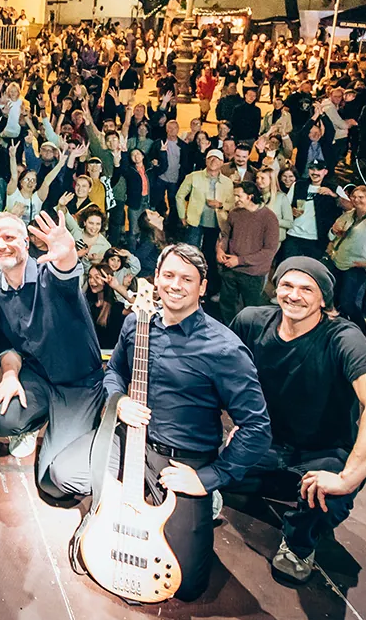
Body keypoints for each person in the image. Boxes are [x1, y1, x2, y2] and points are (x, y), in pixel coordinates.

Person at [104, 243, 272, 601]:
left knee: (186, 584)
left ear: (202, 287)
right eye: (168, 275)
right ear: (156, 278)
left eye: (186, 278)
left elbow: (257, 429)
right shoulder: (137, 323)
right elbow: (114, 372)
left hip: (183, 461)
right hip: (131, 443)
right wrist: (118, 402)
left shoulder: (224, 348)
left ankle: (206, 500)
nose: (175, 285)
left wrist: (206, 479)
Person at [226, 257, 366, 582]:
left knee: (330, 495)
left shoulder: (343, 338)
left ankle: (298, 545)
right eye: (287, 285)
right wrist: (240, 420)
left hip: (321, 453)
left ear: (324, 299)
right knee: (193, 455)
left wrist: (347, 478)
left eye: (307, 288)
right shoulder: (251, 321)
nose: (294, 295)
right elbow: (219, 376)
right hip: (264, 442)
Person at [0, 210, 99, 471]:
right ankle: (35, 420)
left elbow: (66, 272)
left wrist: (67, 254)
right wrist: (10, 375)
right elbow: (6, 343)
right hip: (39, 377)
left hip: (78, 383)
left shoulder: (50, 274)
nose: (1, 245)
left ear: (25, 243)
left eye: (9, 237)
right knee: (0, 419)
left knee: (59, 476)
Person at [325, 186, 366, 333]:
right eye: (354, 196)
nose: (356, 199)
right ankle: (339, 332)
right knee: (334, 300)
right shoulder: (347, 215)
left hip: (357, 266)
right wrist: (333, 232)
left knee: (347, 302)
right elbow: (331, 236)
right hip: (338, 262)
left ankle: (363, 332)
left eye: (361, 197)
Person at [216, 179, 281, 323]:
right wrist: (220, 250)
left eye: (239, 196)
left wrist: (239, 260)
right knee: (227, 305)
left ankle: (247, 336)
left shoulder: (269, 218)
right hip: (230, 269)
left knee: (251, 309)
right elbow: (225, 235)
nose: (235, 199)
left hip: (252, 273)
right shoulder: (235, 213)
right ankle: (229, 331)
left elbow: (269, 251)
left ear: (250, 196)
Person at [177, 148, 233, 286]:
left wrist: (221, 205)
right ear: (206, 160)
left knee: (210, 254)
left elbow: (232, 203)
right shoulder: (193, 176)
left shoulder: (227, 182)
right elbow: (179, 196)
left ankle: (207, 283)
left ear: (222, 162)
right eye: (210, 158)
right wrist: (182, 215)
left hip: (216, 223)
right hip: (195, 221)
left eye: (217, 159)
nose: (214, 161)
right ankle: (187, 279)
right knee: (190, 251)